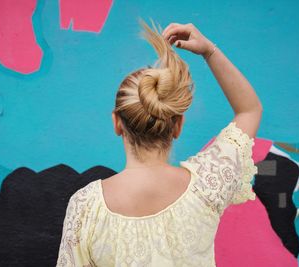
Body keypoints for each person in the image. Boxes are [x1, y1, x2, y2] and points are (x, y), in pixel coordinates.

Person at [56, 19, 262, 266]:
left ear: (117, 123)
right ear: (178, 125)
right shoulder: (208, 184)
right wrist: (209, 51)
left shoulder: (86, 207)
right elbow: (249, 110)